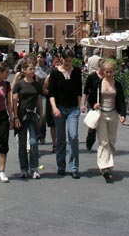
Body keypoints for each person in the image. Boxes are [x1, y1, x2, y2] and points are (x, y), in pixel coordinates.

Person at [81, 59, 126, 180]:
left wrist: (123, 114)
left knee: (111, 141)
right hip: (101, 114)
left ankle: (108, 165)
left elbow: (121, 100)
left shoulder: (117, 84)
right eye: (107, 72)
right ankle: (104, 167)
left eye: (111, 72)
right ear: (103, 71)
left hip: (113, 114)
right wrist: (93, 104)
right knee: (103, 141)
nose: (109, 74)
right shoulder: (98, 83)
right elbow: (90, 97)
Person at [48, 48, 82, 179]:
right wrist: (54, 108)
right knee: (61, 138)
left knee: (73, 136)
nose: (68, 63)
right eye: (66, 61)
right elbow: (51, 93)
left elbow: (79, 90)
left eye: (70, 61)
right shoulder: (55, 73)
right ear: (61, 59)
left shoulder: (77, 71)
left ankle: (73, 167)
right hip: (60, 108)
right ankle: (61, 166)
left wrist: (79, 106)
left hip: (73, 108)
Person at [12, 59, 43, 179]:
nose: (32, 71)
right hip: (22, 115)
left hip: (33, 115)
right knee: (22, 143)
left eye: (33, 69)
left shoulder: (37, 84)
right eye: (30, 69)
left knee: (34, 142)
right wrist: (15, 117)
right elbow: (14, 101)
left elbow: (39, 101)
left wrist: (41, 115)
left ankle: (34, 168)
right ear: (24, 71)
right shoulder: (19, 84)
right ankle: (24, 169)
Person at [82, 58, 106, 152]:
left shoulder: (107, 77)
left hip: (104, 104)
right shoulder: (92, 76)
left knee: (102, 125)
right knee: (93, 125)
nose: (104, 70)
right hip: (92, 103)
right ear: (99, 67)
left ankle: (102, 144)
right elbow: (86, 91)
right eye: (102, 68)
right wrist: (83, 104)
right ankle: (90, 139)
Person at [35, 51, 51, 144]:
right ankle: (35, 134)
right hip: (34, 95)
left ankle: (42, 134)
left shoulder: (48, 70)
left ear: (45, 59)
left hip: (44, 95)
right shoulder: (33, 69)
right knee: (35, 115)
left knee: (43, 115)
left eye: (41, 57)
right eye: (38, 57)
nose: (39, 59)